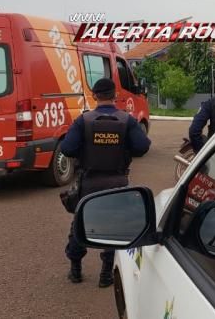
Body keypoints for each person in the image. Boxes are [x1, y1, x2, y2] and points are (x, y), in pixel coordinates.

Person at [60, 78, 151, 287]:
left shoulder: (83, 121)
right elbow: (142, 147)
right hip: (118, 182)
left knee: (80, 225)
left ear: (94, 96)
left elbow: (67, 148)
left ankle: (75, 271)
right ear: (115, 95)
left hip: (89, 183)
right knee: (114, 227)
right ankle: (106, 275)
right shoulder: (127, 120)